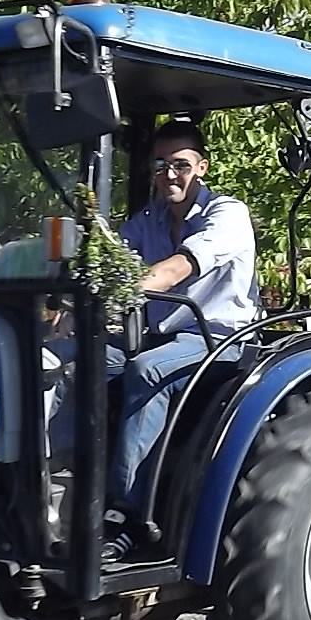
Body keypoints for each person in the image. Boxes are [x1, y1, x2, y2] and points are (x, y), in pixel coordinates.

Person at [100, 119, 258, 562]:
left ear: (201, 167)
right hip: (158, 336)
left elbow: (179, 267)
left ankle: (126, 517)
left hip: (219, 339)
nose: (169, 174)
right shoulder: (147, 219)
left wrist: (131, 287)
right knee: (74, 361)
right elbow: (113, 259)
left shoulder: (227, 214)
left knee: (146, 371)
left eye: (180, 165)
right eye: (159, 165)